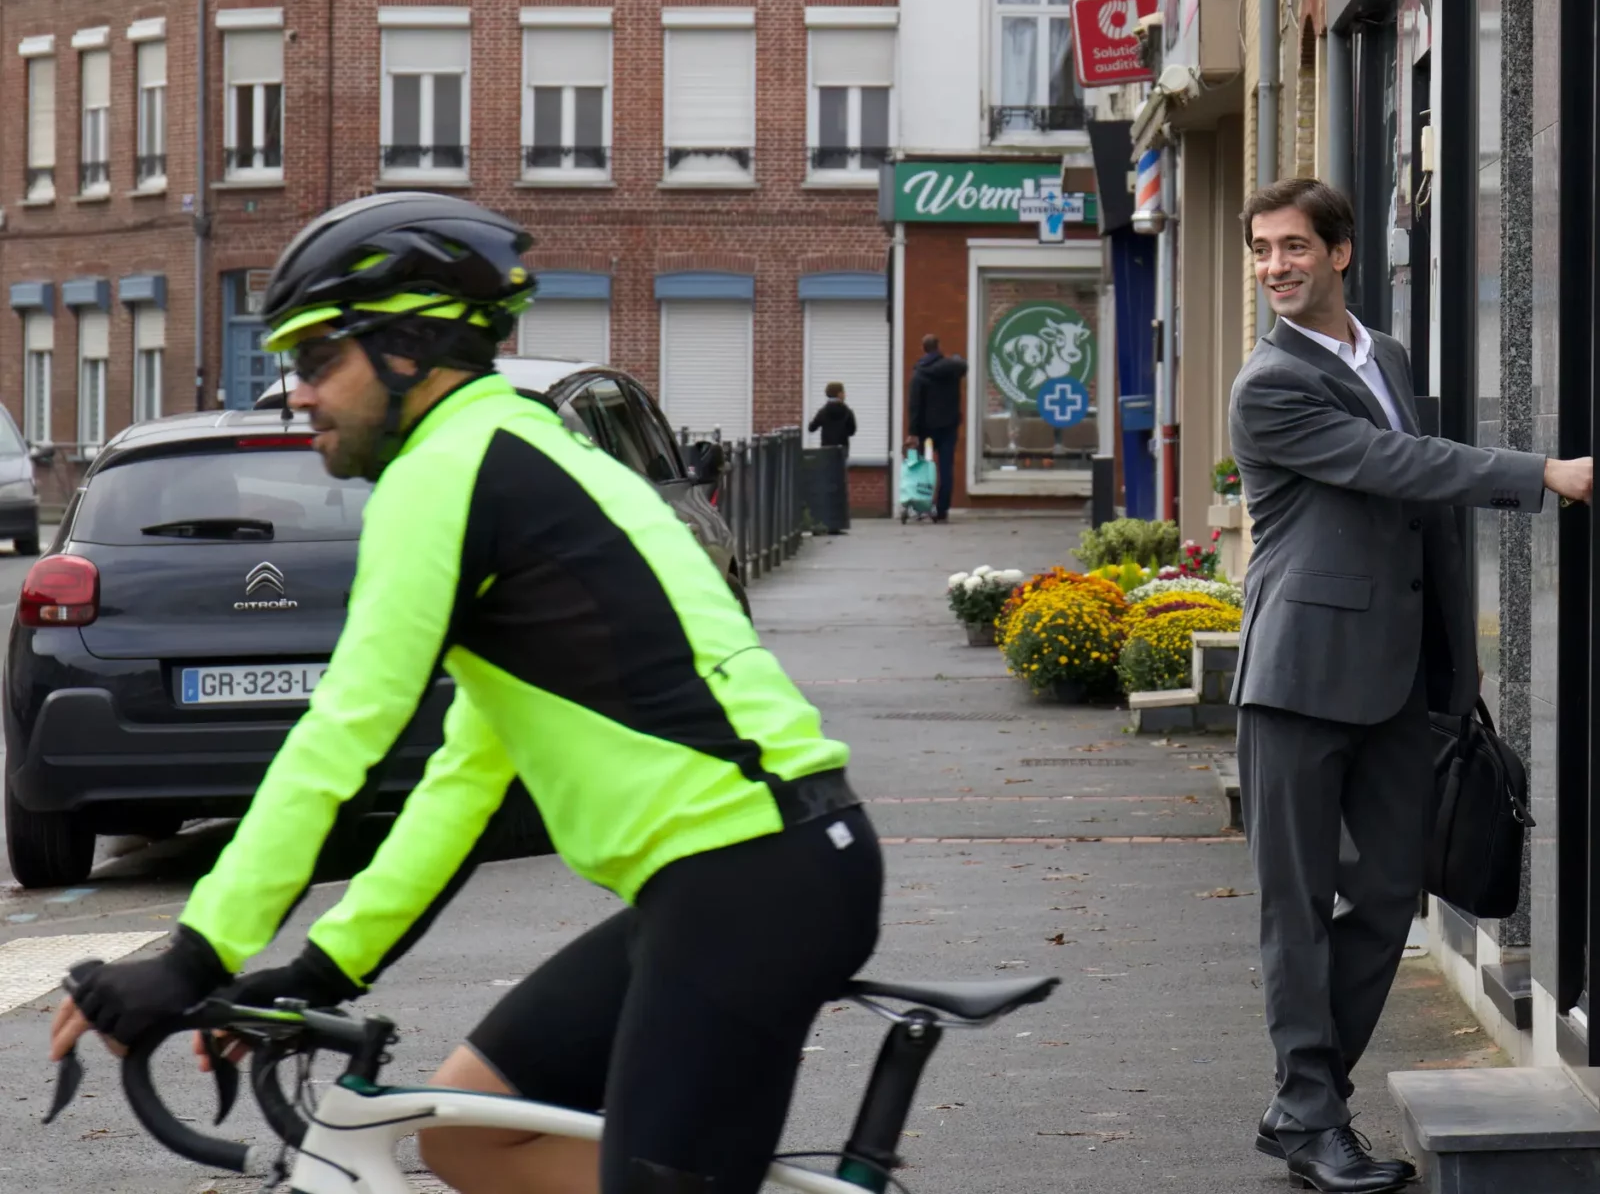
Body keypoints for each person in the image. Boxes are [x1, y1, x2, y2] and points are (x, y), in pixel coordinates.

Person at [47, 192, 882, 1194]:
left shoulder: (450, 469)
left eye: (317, 360)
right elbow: (464, 782)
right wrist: (325, 968)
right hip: (739, 879)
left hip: (753, 881)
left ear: (409, 350)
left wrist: (195, 952)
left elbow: (346, 729)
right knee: (469, 1133)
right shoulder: (514, 458)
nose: (294, 394)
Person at [1226, 179, 1593, 1194]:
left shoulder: (1379, 353)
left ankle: (1301, 1103)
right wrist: (1543, 473)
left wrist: (1452, 660)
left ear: (1341, 253)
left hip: (1393, 681)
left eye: (1293, 247)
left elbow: (1421, 524)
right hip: (1298, 676)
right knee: (1292, 907)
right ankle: (1311, 1112)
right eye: (1260, 251)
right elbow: (1396, 465)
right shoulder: (1268, 383)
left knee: (1390, 893)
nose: (1274, 268)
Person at [906, 333, 967, 524]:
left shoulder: (919, 373)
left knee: (923, 468)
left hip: (926, 430)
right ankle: (942, 510)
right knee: (946, 468)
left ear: (923, 348)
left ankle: (923, 507)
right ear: (939, 346)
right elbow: (963, 364)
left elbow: (914, 405)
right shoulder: (953, 368)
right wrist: (956, 357)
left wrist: (913, 432)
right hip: (949, 427)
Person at [807, 381, 857, 535]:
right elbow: (852, 430)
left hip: (826, 452)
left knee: (825, 487)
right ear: (839, 394)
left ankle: (823, 521)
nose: (845, 394)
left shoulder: (823, 411)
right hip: (841, 451)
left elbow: (811, 428)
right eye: (843, 392)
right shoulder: (847, 411)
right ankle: (837, 523)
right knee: (840, 486)